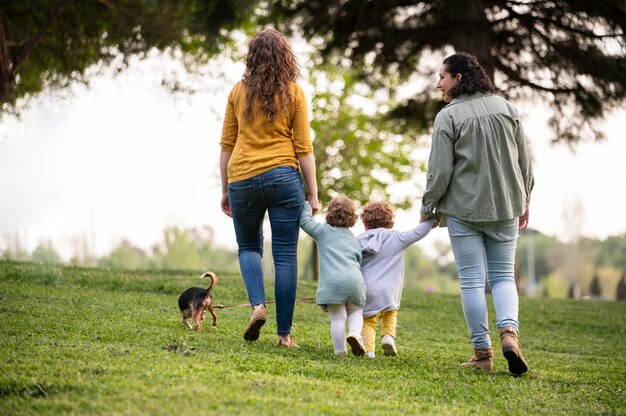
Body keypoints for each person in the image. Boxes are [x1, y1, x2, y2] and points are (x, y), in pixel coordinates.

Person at [420, 52, 534, 375]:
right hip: (506, 206)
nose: (438, 82)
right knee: (502, 277)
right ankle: (509, 335)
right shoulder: (507, 108)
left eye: (442, 76)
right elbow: (524, 162)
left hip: (464, 209)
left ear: (458, 78)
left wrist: (427, 205)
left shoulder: (448, 116)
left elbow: (440, 170)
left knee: (471, 281)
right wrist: (525, 198)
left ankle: (482, 354)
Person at [219, 28, 319, 348]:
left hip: (242, 177)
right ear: (285, 56)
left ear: (252, 57)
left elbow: (226, 145)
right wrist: (313, 193)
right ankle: (284, 335)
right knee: (286, 255)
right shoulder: (294, 92)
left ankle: (258, 306)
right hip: (283, 177)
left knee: (249, 247)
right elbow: (303, 146)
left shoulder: (237, 91)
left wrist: (225, 188)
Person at [357, 201, 435, 358]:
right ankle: (388, 337)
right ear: (390, 221)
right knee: (390, 312)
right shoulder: (397, 237)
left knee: (368, 321)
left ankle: (369, 351)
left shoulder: (359, 240)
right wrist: (431, 221)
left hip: (366, 289)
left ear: (365, 221)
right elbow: (418, 232)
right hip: (390, 291)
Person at [299, 197, 367, 356]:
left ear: (328, 214)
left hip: (333, 284)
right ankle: (355, 334)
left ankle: (340, 351)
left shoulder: (323, 232)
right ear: (353, 218)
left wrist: (308, 204)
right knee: (356, 312)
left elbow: (305, 221)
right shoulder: (354, 240)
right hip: (355, 281)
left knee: (338, 317)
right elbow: (359, 261)